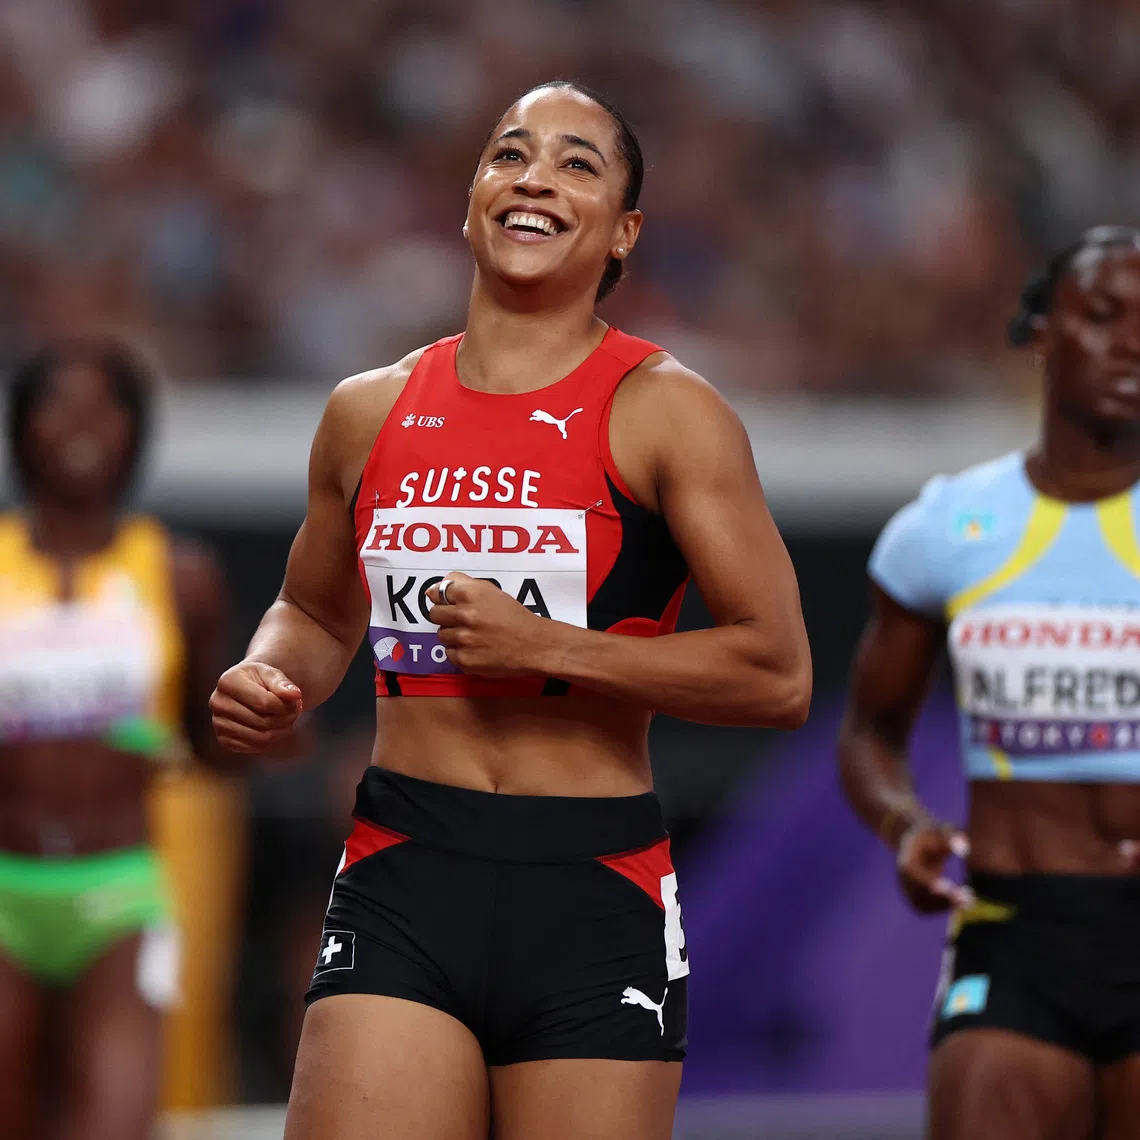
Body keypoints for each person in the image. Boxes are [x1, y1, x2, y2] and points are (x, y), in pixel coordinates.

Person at [211, 79, 812, 1140]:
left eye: (577, 164)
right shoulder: (368, 410)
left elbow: (778, 674)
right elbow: (314, 608)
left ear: (624, 233)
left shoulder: (667, 411)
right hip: (404, 866)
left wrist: (550, 648)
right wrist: (272, 670)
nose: (535, 177)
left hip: (592, 887)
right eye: (509, 154)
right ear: (471, 201)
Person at [838, 225, 1140, 1140]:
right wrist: (907, 825)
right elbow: (870, 732)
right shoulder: (949, 526)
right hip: (1017, 928)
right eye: (1104, 315)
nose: (1131, 342)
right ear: (1042, 334)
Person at [0, 336, 229, 1140]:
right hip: (4, 882)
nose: (81, 424)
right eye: (57, 404)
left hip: (122, 888)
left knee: (116, 1123)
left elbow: (213, 742)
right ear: (22, 425)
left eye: (104, 407)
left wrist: (270, 730)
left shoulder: (181, 575)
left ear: (135, 429)